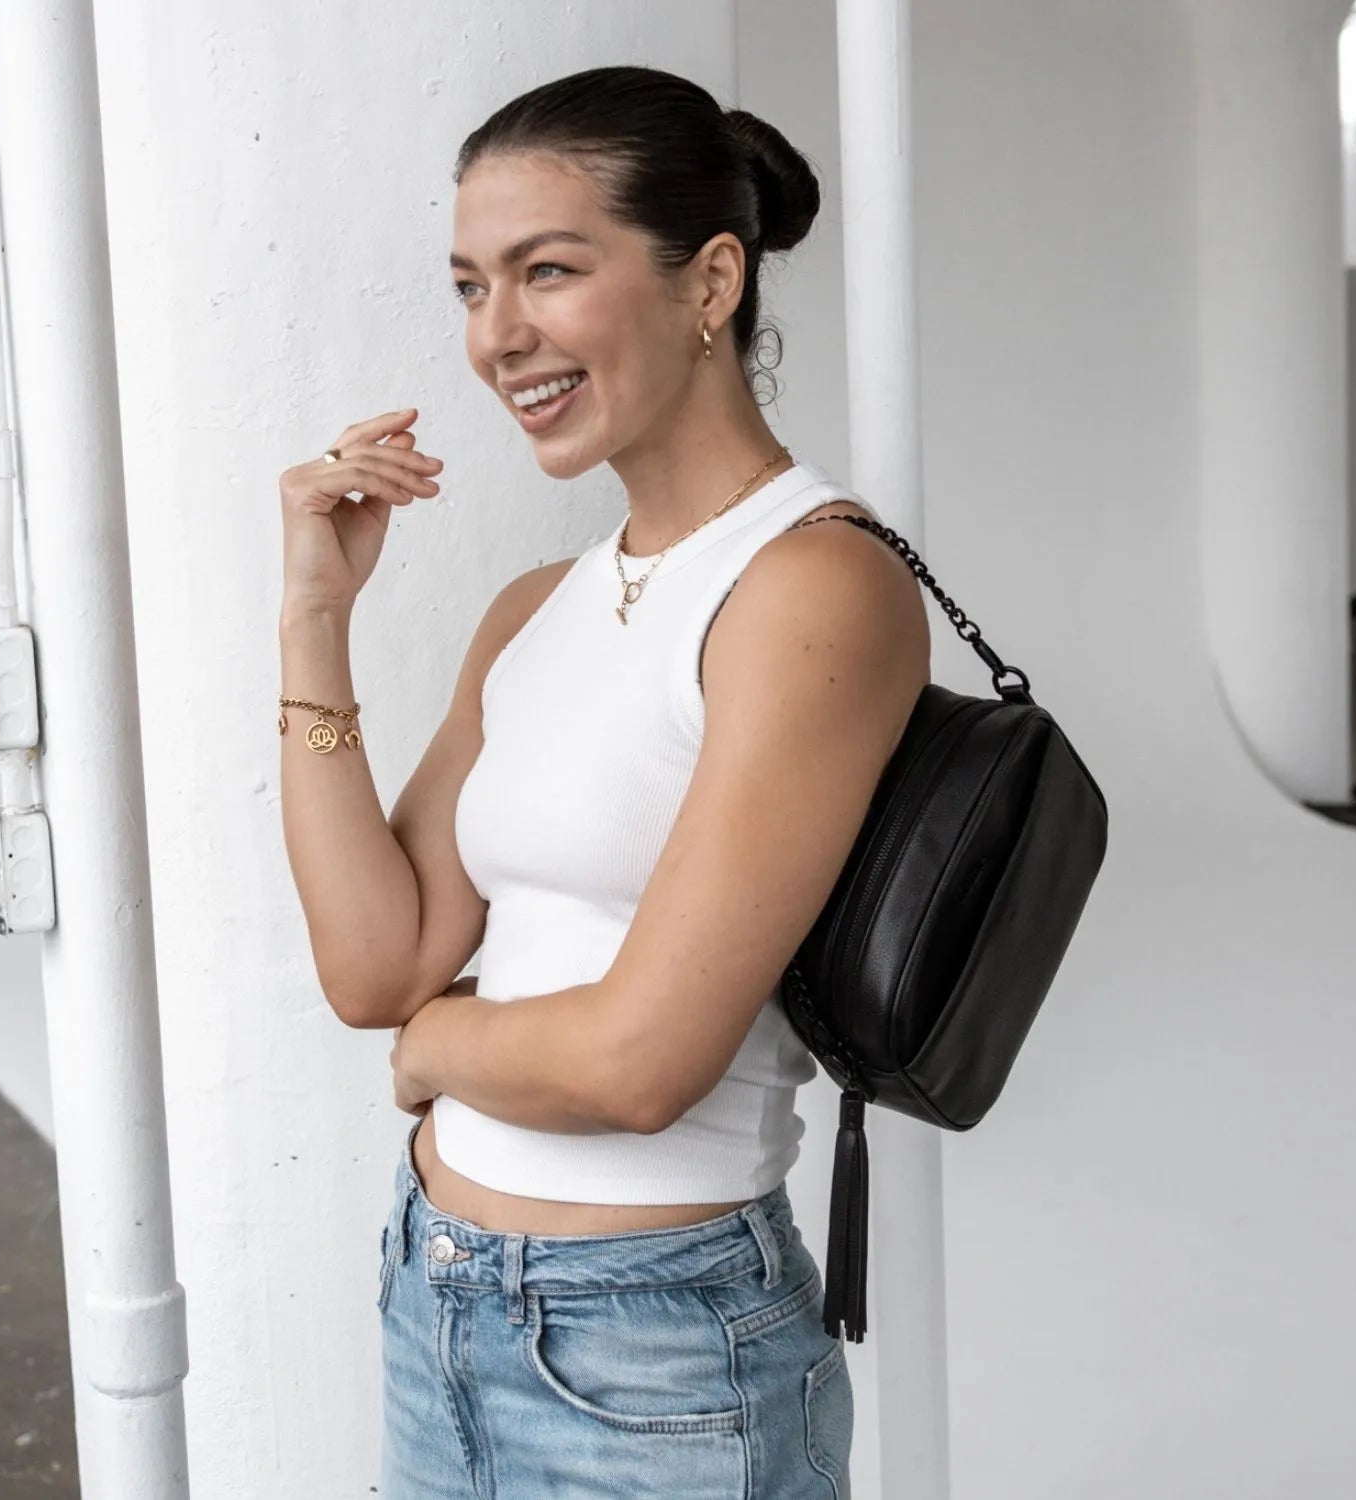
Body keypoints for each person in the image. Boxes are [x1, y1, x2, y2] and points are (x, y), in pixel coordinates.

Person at [278, 62, 928, 1499]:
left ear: (710, 282)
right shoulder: (534, 609)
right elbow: (378, 963)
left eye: (547, 272)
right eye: (468, 287)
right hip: (434, 1296)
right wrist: (315, 619)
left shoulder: (812, 583)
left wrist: (436, 1058)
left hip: (655, 1351)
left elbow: (642, 1065)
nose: (497, 336)